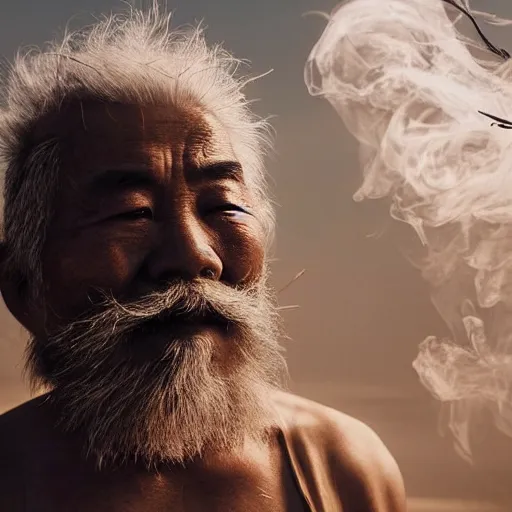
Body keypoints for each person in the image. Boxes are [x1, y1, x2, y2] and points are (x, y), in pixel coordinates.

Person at [0, 7, 406, 511]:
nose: (195, 256)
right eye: (132, 213)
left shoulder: (338, 468)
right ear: (23, 286)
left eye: (222, 207)